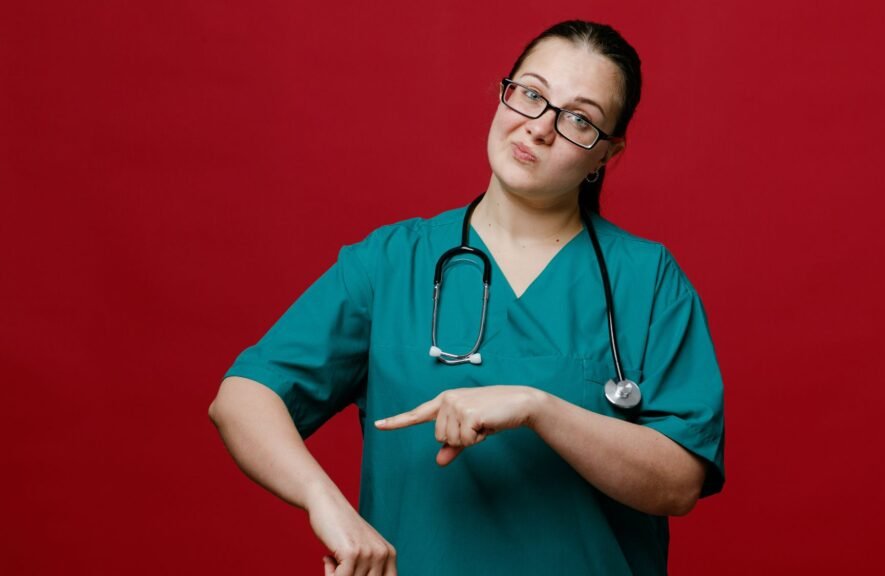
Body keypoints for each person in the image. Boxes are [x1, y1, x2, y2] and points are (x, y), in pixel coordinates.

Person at [209, 19, 725, 576]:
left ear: (606, 154)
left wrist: (538, 408)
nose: (540, 128)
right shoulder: (391, 263)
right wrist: (326, 503)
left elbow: (679, 482)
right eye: (531, 94)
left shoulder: (647, 281)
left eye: (579, 118)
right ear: (503, 95)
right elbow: (242, 398)